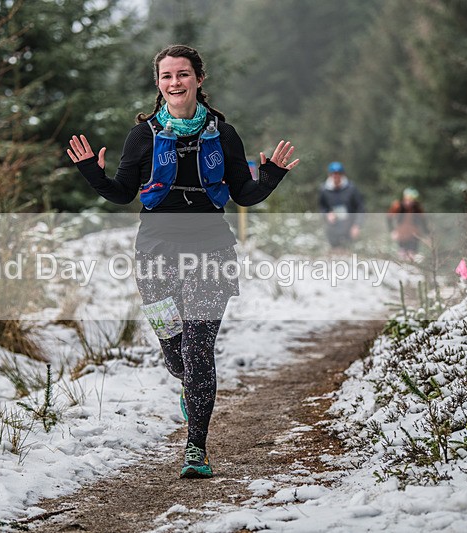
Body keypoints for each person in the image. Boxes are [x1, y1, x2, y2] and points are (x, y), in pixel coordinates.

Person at [67, 44, 298, 479]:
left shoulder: (223, 134)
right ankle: (188, 386)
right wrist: (89, 171)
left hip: (211, 248)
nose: (175, 82)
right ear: (159, 84)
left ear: (198, 80)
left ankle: (196, 447)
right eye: (167, 76)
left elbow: (243, 194)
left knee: (198, 349)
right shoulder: (143, 135)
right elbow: (122, 192)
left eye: (183, 74)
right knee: (176, 357)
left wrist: (272, 176)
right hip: (155, 251)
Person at [318, 161, 364, 253]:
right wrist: (327, 214)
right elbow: (322, 207)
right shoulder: (324, 189)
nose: (335, 177)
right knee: (335, 252)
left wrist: (357, 226)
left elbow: (360, 208)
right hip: (333, 227)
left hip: (349, 225)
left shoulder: (351, 188)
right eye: (333, 174)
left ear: (342, 174)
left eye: (338, 174)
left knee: (348, 251)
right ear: (329, 175)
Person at [387, 187, 428, 260]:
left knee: (412, 253)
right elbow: (389, 218)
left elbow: (423, 221)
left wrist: (427, 235)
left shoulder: (417, 207)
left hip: (414, 233)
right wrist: (392, 231)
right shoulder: (397, 205)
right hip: (401, 233)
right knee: (402, 252)